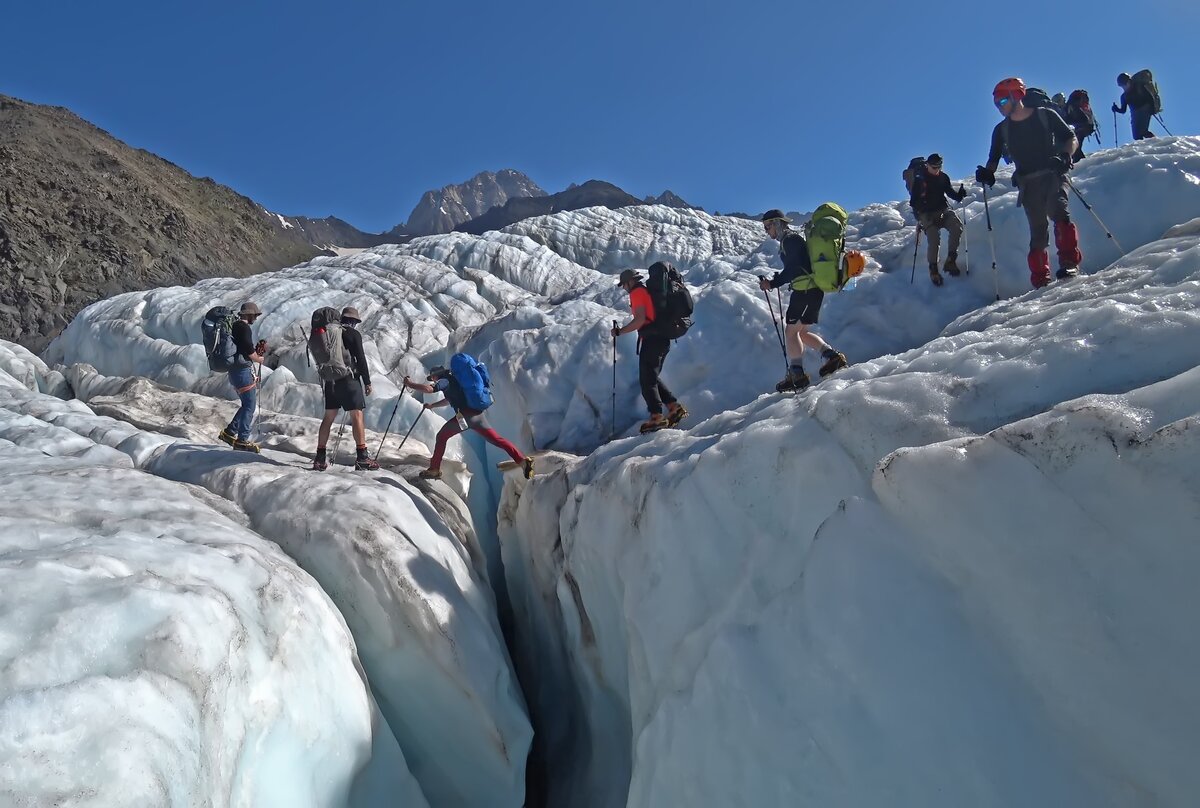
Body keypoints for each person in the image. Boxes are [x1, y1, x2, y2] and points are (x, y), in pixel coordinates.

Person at [976, 77, 1082, 289]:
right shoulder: (1001, 130)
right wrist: (987, 174)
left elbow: (1071, 138)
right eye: (997, 103)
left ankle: (1069, 263)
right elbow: (994, 159)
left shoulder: (1046, 115)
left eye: (1003, 101)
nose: (1000, 107)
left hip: (1053, 174)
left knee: (1059, 211)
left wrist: (1064, 156)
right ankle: (1040, 278)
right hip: (1028, 183)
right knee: (1038, 229)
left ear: (1017, 96)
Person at [757, 209, 849, 392]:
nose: (767, 231)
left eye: (768, 226)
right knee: (802, 332)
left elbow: (794, 268)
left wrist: (772, 283)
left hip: (804, 292)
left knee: (791, 332)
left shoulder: (790, 240)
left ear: (777, 223)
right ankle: (831, 357)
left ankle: (796, 374)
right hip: (812, 291)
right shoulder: (792, 240)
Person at [401, 365, 532, 480]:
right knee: (497, 439)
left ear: (436, 376)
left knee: (441, 436)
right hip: (477, 415)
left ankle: (434, 469)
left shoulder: (444, 381)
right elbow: (448, 401)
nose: (433, 380)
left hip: (465, 417)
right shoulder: (455, 381)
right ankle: (522, 460)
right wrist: (432, 406)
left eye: (432, 378)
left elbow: (429, 389)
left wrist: (410, 384)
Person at [612, 268, 688, 433]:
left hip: (653, 340)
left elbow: (640, 320)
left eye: (624, 285)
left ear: (630, 282)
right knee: (651, 377)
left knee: (647, 380)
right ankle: (674, 407)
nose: (624, 288)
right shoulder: (646, 291)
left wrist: (620, 331)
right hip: (662, 339)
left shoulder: (637, 293)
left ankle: (657, 417)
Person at [312, 306, 380, 471]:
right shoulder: (352, 334)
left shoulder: (328, 334)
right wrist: (367, 381)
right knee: (357, 414)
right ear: (354, 321)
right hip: (348, 380)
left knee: (328, 417)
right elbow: (361, 359)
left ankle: (320, 457)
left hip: (330, 381)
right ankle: (362, 457)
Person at [910, 153, 968, 286]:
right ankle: (933, 270)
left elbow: (950, 192)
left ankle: (950, 260)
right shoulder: (920, 180)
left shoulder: (943, 177)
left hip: (942, 209)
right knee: (934, 238)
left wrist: (960, 195)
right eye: (933, 167)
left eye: (938, 167)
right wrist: (921, 216)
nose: (936, 170)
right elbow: (914, 202)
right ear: (927, 165)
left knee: (956, 226)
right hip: (927, 214)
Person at [218, 302, 267, 452]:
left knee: (246, 404)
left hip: (235, 371)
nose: (256, 318)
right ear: (248, 314)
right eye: (255, 315)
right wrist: (259, 359)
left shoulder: (235, 326)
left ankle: (230, 432)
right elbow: (248, 350)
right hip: (241, 372)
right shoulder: (243, 328)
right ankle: (242, 440)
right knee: (250, 405)